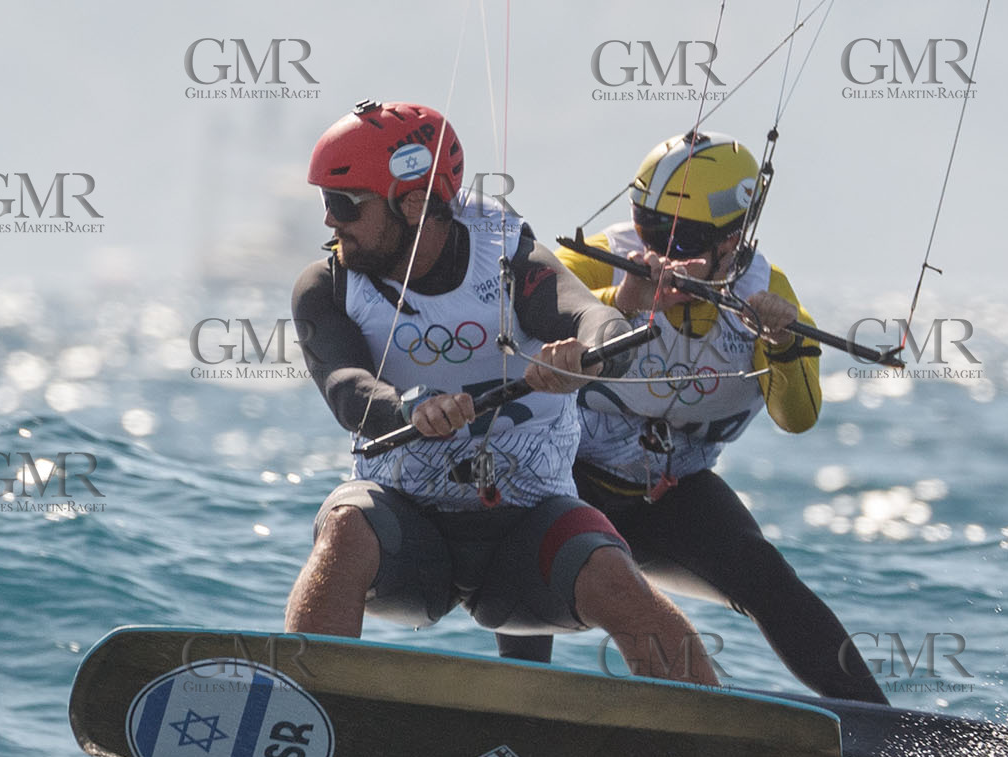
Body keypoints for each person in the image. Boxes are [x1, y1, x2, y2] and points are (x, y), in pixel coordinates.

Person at [285, 100, 718, 686]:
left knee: (616, 578)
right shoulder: (326, 285)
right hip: (410, 531)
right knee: (344, 527)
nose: (332, 223)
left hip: (528, 531)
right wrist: (408, 407)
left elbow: (595, 319)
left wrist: (580, 361)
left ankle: (717, 747)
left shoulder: (509, 256)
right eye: (326, 204)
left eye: (344, 205)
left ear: (413, 203)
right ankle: (301, 709)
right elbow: (345, 388)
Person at [496, 130, 888, 705]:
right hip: (564, 478)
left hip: (669, 497)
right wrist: (621, 299)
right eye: (652, 229)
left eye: (687, 242)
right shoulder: (597, 260)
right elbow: (505, 328)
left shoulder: (768, 296)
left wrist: (780, 344)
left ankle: (879, 732)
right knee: (529, 524)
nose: (664, 255)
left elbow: (797, 417)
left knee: (766, 577)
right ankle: (516, 702)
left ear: (733, 240)